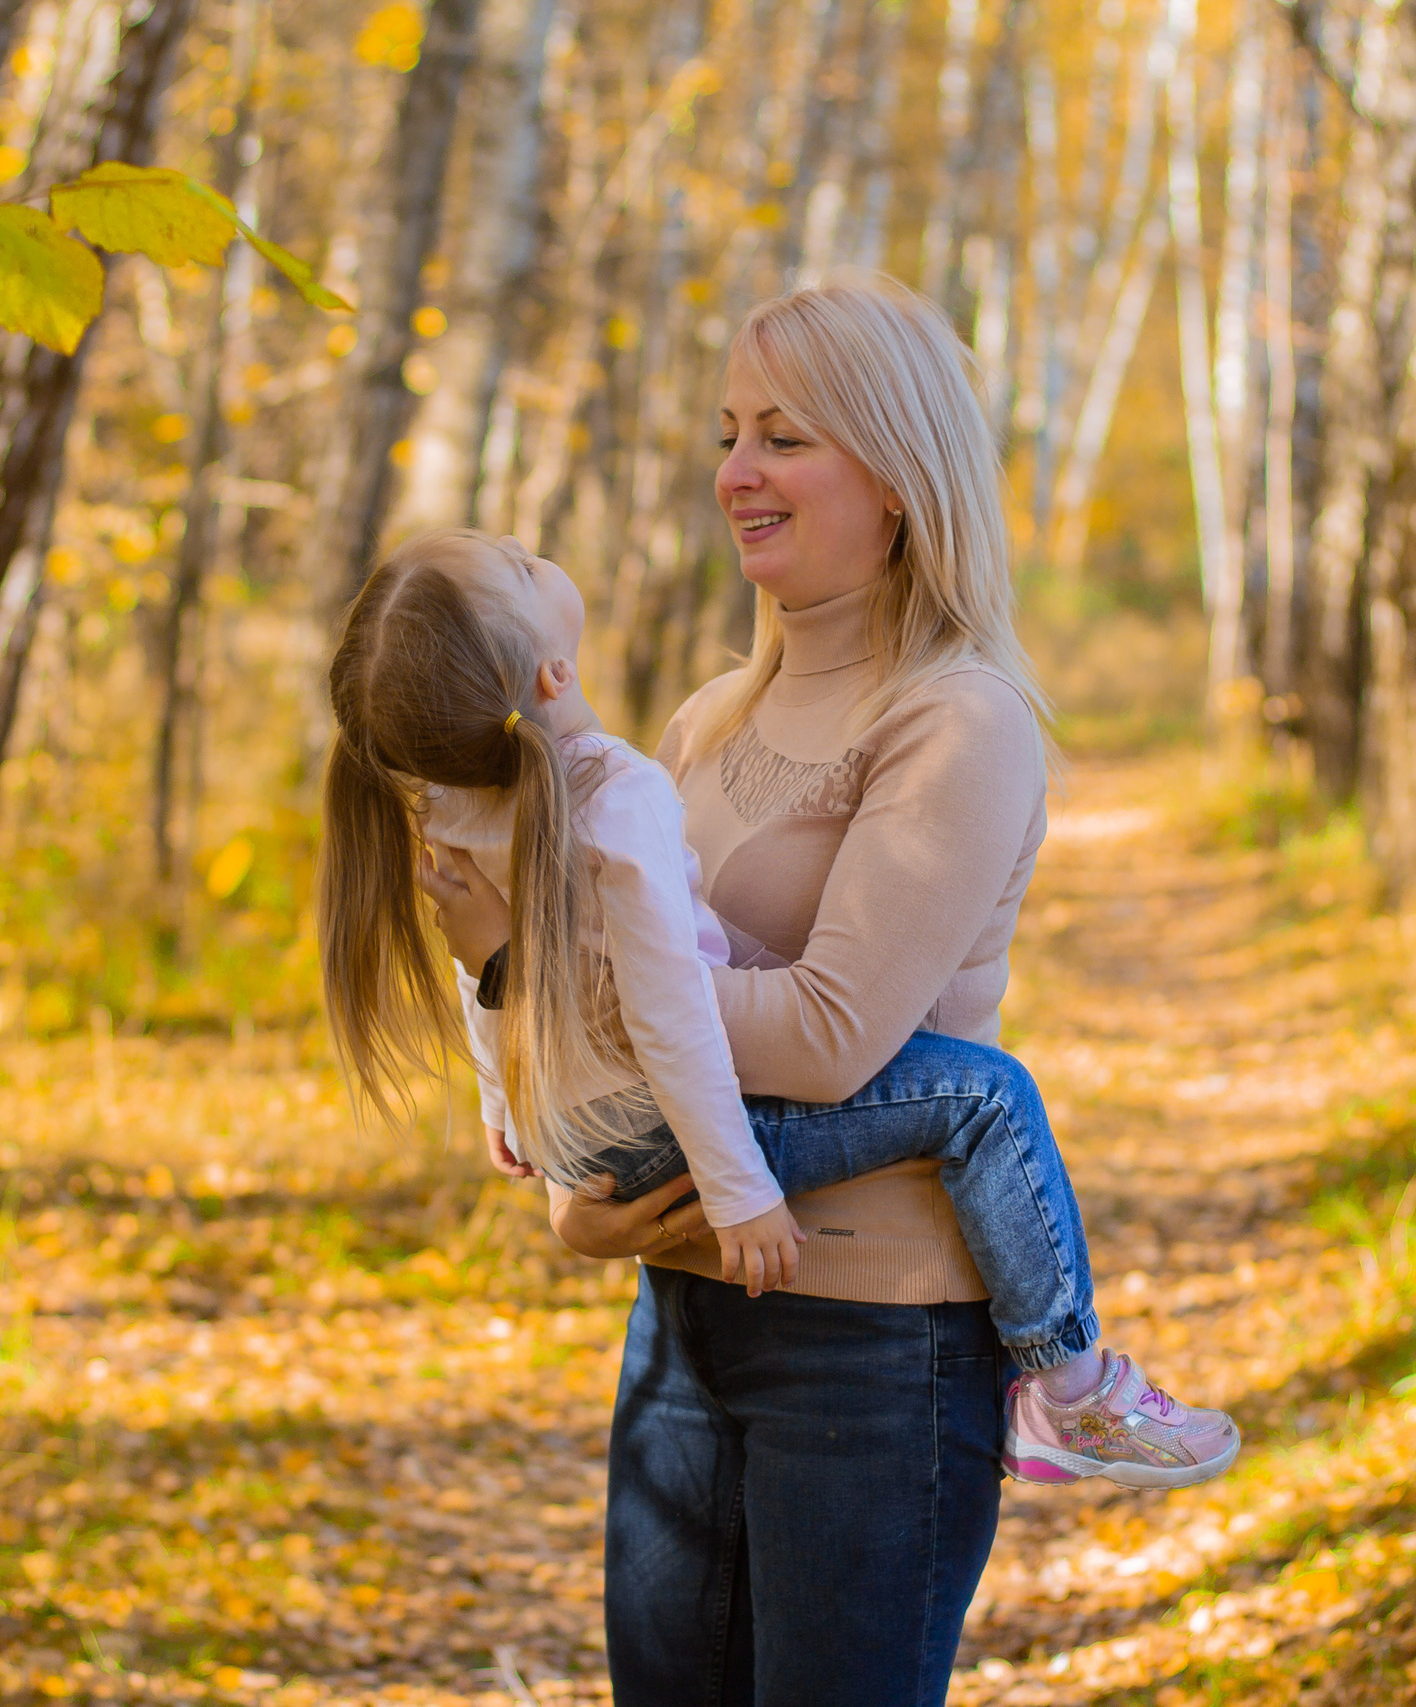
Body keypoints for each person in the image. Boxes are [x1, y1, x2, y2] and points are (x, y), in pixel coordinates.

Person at [398, 274, 1232, 1706]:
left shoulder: (957, 720)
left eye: (784, 436)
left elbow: (837, 1040)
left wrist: (579, 990)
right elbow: (577, 1026)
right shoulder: (701, 722)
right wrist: (577, 1191)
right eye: (729, 432)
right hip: (683, 1318)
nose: (736, 473)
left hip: (874, 1355)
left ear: (899, 476)